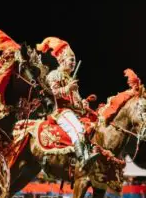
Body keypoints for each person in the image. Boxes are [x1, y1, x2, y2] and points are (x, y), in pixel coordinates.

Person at [36, 37, 99, 169]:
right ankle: (82, 158)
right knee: (77, 128)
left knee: (94, 127)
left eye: (74, 61)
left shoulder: (70, 79)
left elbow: (75, 101)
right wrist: (67, 88)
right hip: (61, 112)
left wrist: (83, 104)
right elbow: (50, 94)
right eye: (71, 60)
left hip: (75, 112)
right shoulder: (54, 75)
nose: (73, 63)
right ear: (62, 60)